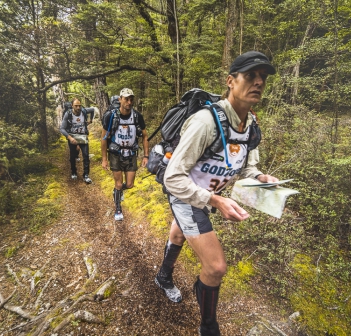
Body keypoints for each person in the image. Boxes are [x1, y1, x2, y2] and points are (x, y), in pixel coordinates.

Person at [154, 51, 279, 336]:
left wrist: (260, 177)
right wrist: (214, 199)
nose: (258, 82)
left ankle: (163, 277)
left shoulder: (251, 126)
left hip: (207, 195)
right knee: (216, 266)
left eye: (263, 78)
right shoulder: (205, 122)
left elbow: (246, 168)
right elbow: (173, 177)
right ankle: (208, 326)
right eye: (250, 76)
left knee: (178, 234)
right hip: (185, 193)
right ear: (231, 81)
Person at [101, 88, 149, 221]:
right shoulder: (110, 116)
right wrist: (104, 159)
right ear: (120, 99)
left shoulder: (137, 116)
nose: (129, 102)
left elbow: (145, 136)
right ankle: (118, 208)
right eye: (126, 99)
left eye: (131, 99)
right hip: (116, 153)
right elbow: (104, 138)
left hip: (131, 153)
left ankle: (117, 192)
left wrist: (146, 156)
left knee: (129, 185)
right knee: (118, 183)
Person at [60, 98, 92, 184]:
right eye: (76, 106)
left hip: (83, 137)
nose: (78, 107)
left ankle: (86, 175)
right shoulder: (68, 114)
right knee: (72, 156)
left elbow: (93, 109)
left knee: (86, 156)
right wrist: (70, 138)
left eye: (79, 105)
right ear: (72, 106)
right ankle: (74, 172)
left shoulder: (84, 111)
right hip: (73, 138)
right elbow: (62, 129)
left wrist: (90, 120)